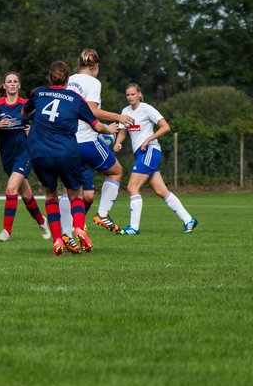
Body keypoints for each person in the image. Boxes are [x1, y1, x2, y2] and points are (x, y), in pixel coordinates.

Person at [25, 60, 120, 256]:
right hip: (67, 152)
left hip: (40, 152)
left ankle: (58, 239)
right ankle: (78, 228)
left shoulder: (38, 93)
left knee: (50, 195)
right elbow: (96, 125)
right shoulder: (76, 99)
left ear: (49, 78)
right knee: (74, 194)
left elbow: (24, 112)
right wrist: (109, 128)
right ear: (68, 80)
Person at [111, 82, 197, 235]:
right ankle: (188, 219)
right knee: (160, 190)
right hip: (141, 154)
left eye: (132, 94)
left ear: (139, 94)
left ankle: (134, 227)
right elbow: (123, 131)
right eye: (127, 94)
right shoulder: (125, 111)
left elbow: (165, 127)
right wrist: (118, 143)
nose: (130, 97)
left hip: (150, 150)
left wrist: (148, 140)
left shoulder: (147, 109)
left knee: (132, 187)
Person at [66, 48, 133, 233]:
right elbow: (92, 110)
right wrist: (118, 117)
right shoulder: (93, 82)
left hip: (66, 142)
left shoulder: (68, 80)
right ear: (96, 66)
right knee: (116, 172)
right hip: (86, 140)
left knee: (71, 190)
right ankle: (102, 214)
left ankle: (67, 232)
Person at [0, 72, 51, 242]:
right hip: (7, 156)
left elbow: (42, 123)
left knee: (11, 188)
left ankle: (6, 231)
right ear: (4, 85)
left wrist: (33, 131)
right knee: (27, 196)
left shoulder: (26, 105)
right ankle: (42, 221)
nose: (12, 84)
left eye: (15, 81)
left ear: (19, 85)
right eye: (9, 82)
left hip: (25, 153)